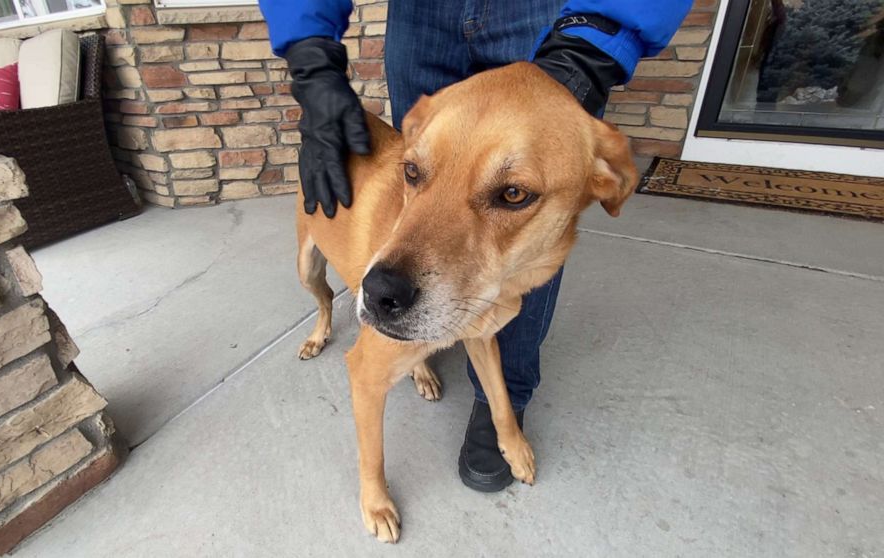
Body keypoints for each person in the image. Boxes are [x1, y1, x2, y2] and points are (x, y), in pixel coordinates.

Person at [258, 0, 692, 493]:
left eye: (511, 193)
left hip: (548, 11)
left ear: (606, 181)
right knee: (321, 279)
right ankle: (340, 319)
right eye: (414, 172)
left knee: (476, 314)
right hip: (420, 17)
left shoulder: (588, 165)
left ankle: (502, 413)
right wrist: (309, 54)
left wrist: (602, 36)